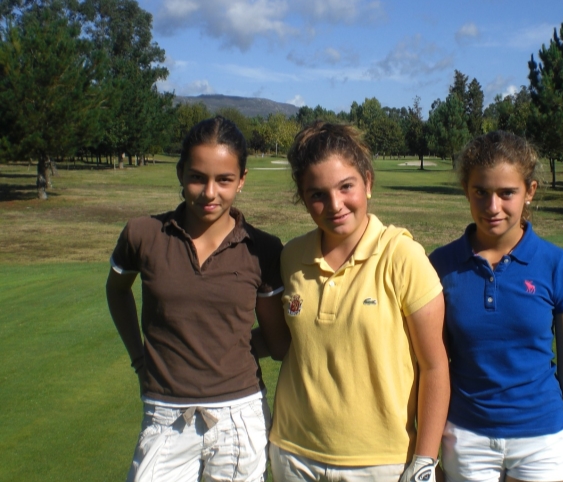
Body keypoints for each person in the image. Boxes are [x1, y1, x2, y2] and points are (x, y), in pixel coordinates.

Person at [106, 116, 289, 482]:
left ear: (242, 181)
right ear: (180, 173)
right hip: (164, 414)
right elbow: (117, 290)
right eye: (197, 177)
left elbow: (276, 341)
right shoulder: (143, 234)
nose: (209, 193)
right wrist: (140, 360)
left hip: (239, 416)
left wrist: (221, 342)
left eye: (224, 180)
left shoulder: (263, 248)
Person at [269, 121, 450, 482]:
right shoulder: (291, 256)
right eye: (317, 194)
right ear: (303, 198)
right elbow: (287, 344)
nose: (334, 205)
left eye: (346, 186)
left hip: (380, 463)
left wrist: (425, 460)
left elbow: (435, 367)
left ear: (367, 181)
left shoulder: (402, 255)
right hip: (293, 453)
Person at [429, 131, 563, 482]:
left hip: (541, 439)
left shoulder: (557, 265)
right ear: (466, 190)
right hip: (466, 436)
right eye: (481, 192)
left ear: (530, 191)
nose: (493, 207)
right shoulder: (440, 265)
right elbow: (432, 366)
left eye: (507, 193)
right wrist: (427, 453)